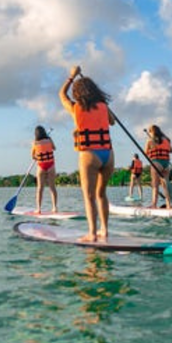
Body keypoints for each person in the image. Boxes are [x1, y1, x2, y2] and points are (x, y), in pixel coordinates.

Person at [59, 65, 115, 242]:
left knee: (89, 196)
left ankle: (92, 233)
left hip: (90, 155)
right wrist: (103, 106)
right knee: (101, 194)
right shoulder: (103, 106)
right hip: (108, 154)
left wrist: (71, 77)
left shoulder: (76, 108)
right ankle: (104, 230)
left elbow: (61, 95)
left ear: (78, 93)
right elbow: (112, 122)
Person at [32, 125, 58, 213]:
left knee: (40, 188)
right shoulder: (49, 140)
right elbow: (54, 148)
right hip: (51, 165)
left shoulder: (35, 143)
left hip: (41, 166)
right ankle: (54, 207)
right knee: (52, 187)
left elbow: (33, 156)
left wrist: (37, 156)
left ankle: (38, 209)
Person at [145, 126, 172, 209]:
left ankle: (154, 205)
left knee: (155, 185)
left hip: (156, 163)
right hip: (166, 164)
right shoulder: (167, 140)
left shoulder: (150, 140)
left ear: (151, 132)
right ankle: (168, 205)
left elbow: (146, 152)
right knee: (166, 186)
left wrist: (152, 149)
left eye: (150, 132)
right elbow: (171, 150)